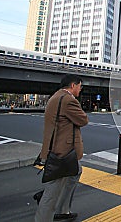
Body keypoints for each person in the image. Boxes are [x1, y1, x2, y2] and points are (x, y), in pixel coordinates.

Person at [35, 74, 88, 222]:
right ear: (73, 85)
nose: (80, 89)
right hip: (62, 151)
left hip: (56, 148)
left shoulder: (56, 96)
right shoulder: (68, 100)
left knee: (76, 171)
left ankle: (63, 209)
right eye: (79, 86)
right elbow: (83, 120)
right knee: (53, 190)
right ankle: (45, 217)